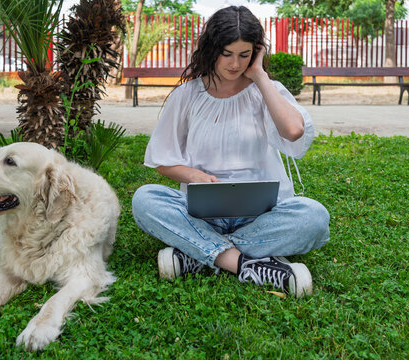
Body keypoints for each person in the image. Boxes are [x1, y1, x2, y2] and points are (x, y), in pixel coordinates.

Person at [131, 5, 329, 298]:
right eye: (227, 53)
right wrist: (195, 176)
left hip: (261, 215)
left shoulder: (266, 91)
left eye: (244, 54)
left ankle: (196, 255)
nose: (235, 64)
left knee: (314, 217)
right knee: (144, 199)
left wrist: (260, 76)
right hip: (202, 213)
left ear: (256, 52)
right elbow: (163, 161)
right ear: (211, 49)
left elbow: (293, 131)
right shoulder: (187, 95)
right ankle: (246, 264)